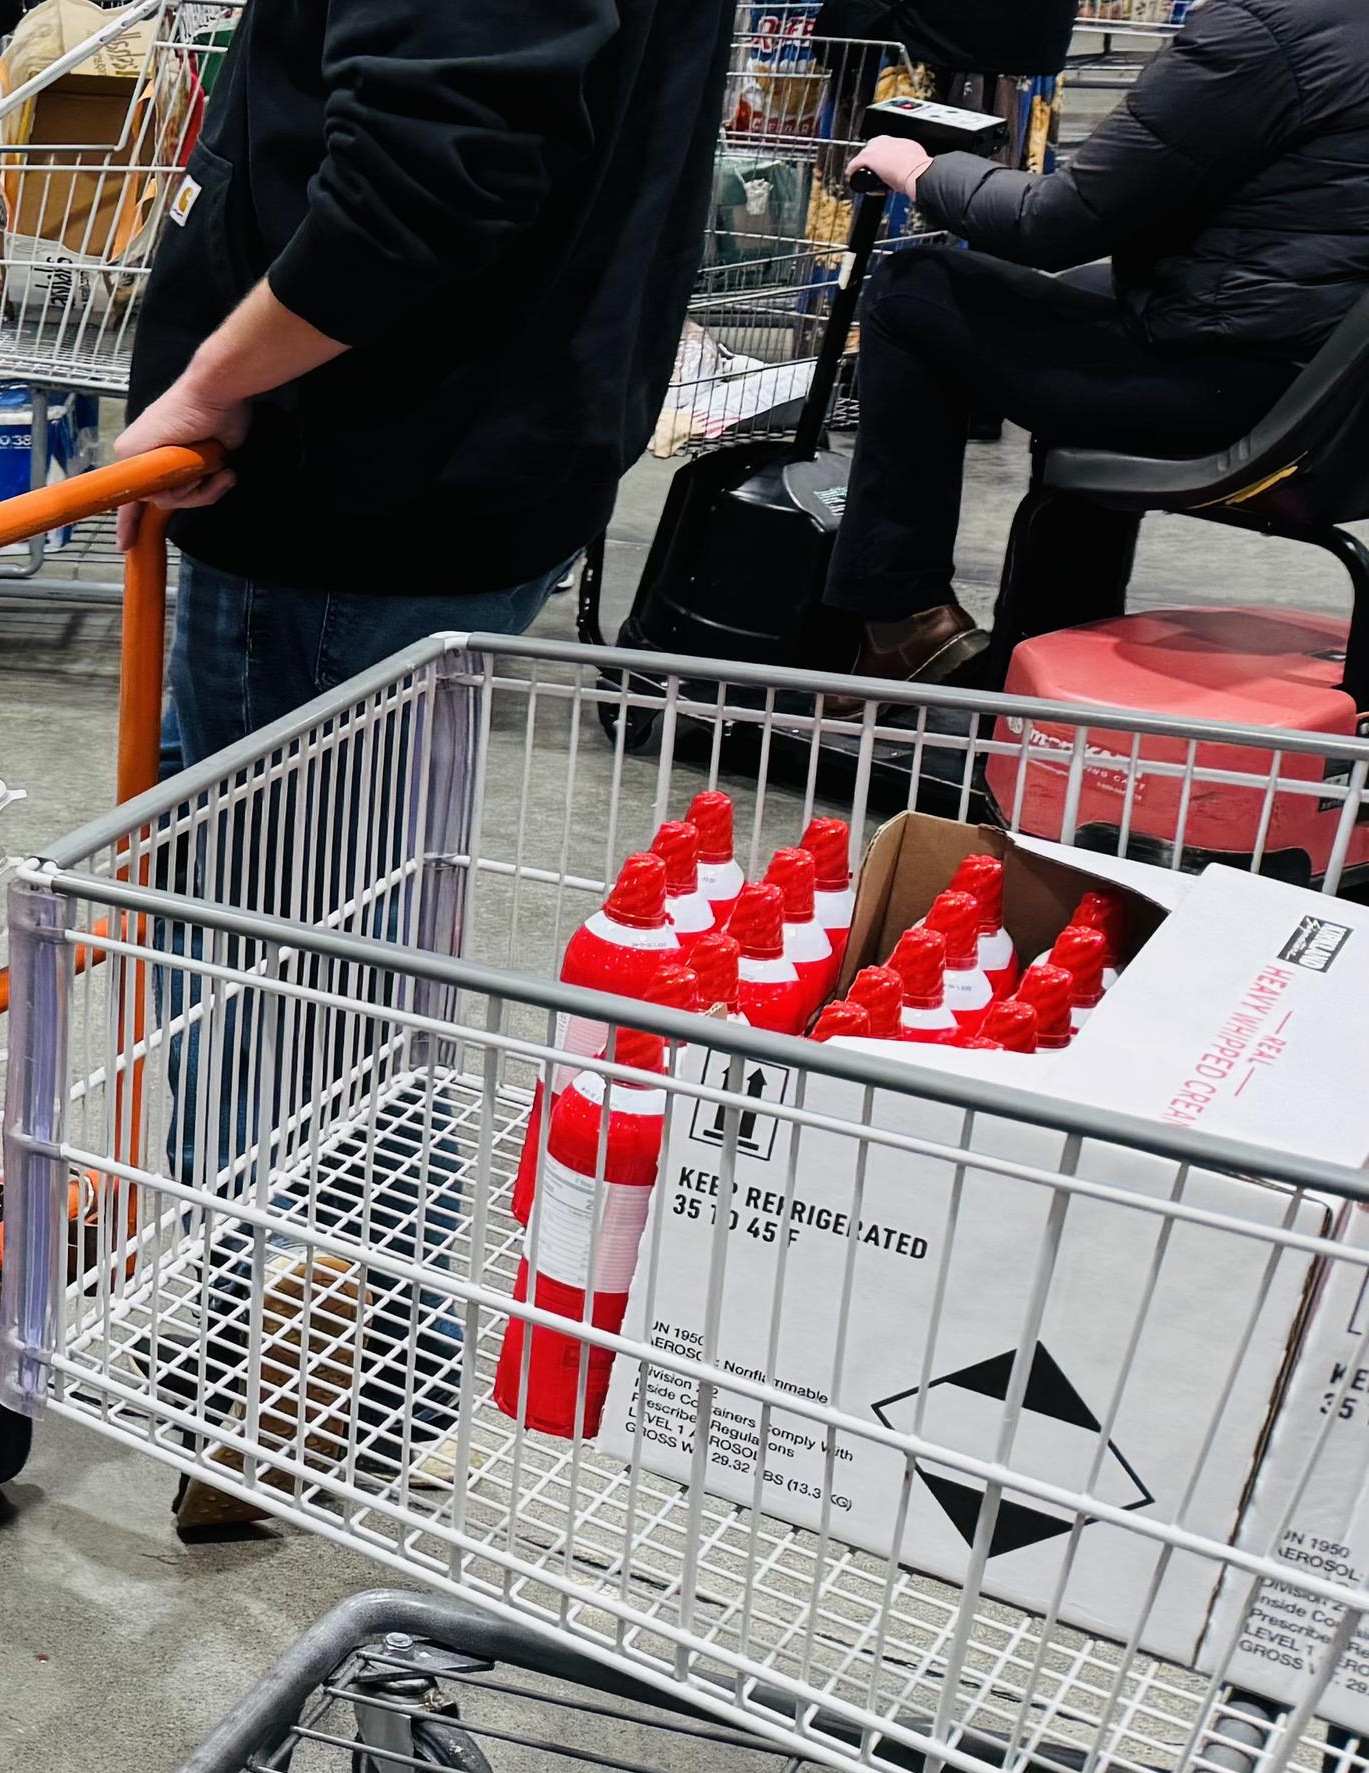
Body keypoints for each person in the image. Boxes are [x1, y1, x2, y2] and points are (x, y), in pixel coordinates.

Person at [106, 0, 730, 1536]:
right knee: (352, 937)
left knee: (281, 960)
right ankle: (356, 1356)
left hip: (355, 481)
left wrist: (209, 383)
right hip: (448, 462)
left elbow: (427, 174)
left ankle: (315, 1381)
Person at [825, 0, 1369, 685]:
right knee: (1085, 294)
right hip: (1335, 393)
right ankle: (1051, 639)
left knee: (911, 291)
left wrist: (922, 169)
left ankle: (901, 618)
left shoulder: (1259, 33)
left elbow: (1054, 220)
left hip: (1237, 389)